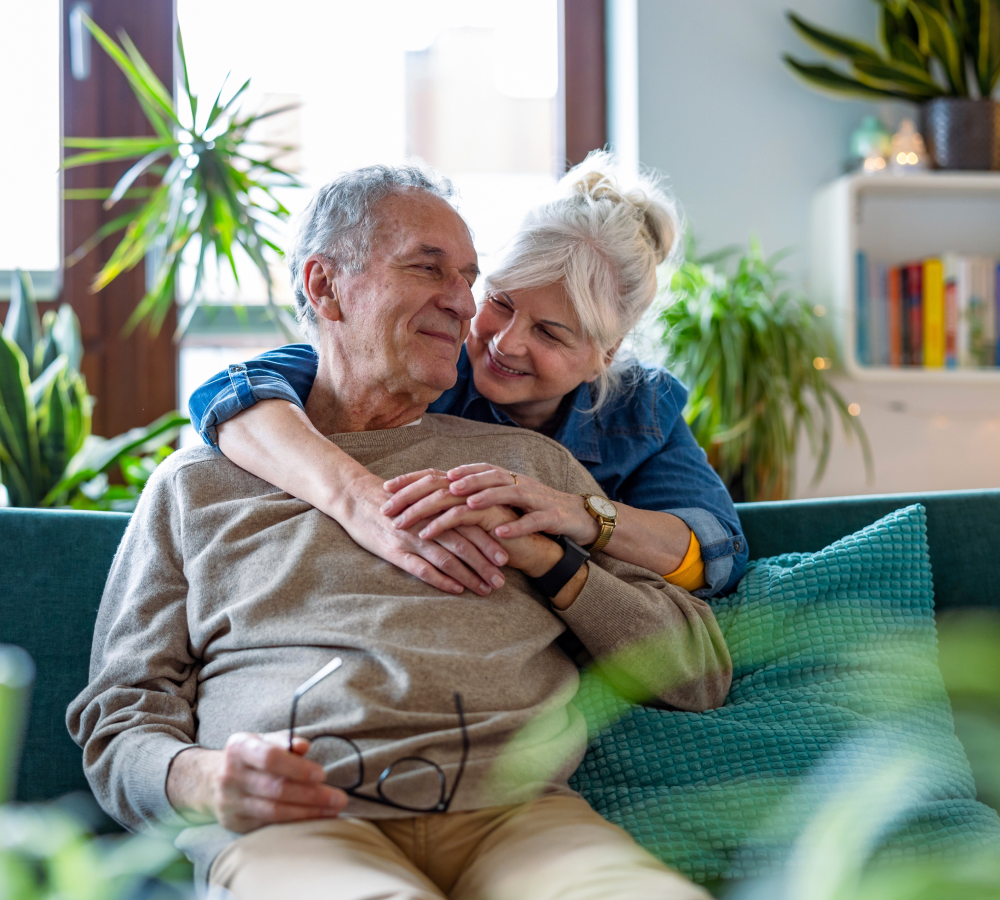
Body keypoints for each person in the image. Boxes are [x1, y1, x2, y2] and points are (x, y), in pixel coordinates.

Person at [68, 165, 730, 900]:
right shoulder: (199, 483)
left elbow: (699, 666)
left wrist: (553, 559)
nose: (466, 304)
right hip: (301, 825)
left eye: (470, 276)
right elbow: (119, 719)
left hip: (521, 819)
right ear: (324, 288)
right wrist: (207, 779)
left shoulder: (530, 469)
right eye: (429, 268)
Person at [189, 152, 747, 606]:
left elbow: (716, 551)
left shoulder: (641, 409)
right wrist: (359, 500)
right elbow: (232, 395)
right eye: (500, 303)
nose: (506, 342)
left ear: (606, 353)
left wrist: (578, 513)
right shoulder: (429, 364)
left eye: (550, 333)